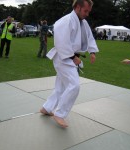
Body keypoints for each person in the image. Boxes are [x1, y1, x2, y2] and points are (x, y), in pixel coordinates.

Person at [40, 0, 99, 128]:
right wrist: (73, 57)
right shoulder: (65, 21)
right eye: (85, 11)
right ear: (78, 7)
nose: (87, 14)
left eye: (89, 11)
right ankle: (60, 114)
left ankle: (47, 108)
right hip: (63, 58)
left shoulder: (83, 22)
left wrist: (92, 51)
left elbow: (89, 37)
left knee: (61, 87)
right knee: (74, 85)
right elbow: (60, 42)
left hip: (69, 57)